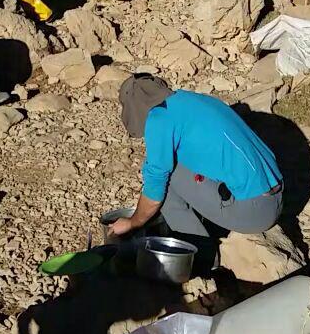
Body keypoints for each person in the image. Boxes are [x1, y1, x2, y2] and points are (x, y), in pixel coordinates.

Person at [109, 75, 283, 251]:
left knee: (167, 178)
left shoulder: (159, 118)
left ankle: (200, 252)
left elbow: (155, 190)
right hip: (275, 197)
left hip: (254, 213)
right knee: (174, 165)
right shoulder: (190, 100)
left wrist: (133, 222)